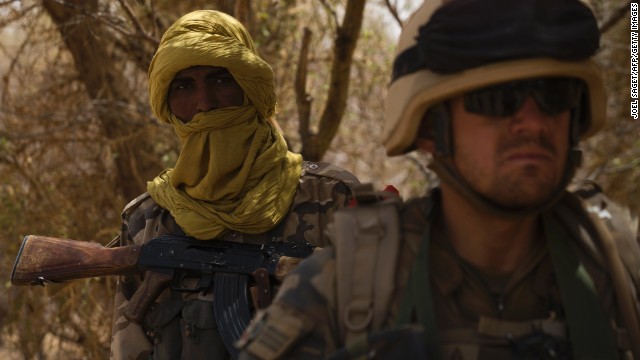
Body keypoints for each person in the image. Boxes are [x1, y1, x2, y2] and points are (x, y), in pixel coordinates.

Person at [236, 0, 640, 359]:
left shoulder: (621, 270)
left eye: (556, 96)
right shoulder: (342, 290)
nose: (533, 123)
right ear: (430, 128)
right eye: (497, 99)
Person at [109, 9, 359, 360]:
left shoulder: (331, 197)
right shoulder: (146, 221)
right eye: (184, 86)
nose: (205, 103)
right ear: (167, 103)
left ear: (249, 88)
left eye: (221, 80)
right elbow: (129, 345)